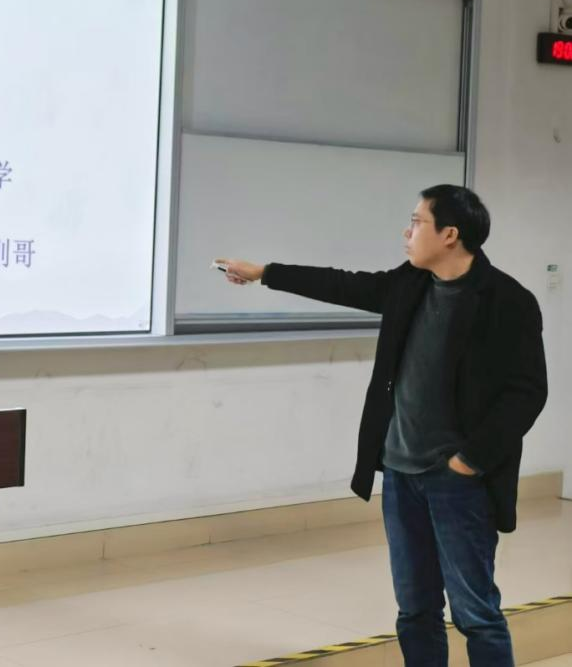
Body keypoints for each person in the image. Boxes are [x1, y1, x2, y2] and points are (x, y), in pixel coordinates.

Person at [216, 184, 547, 667]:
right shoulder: (410, 283)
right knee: (415, 610)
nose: (406, 232)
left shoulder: (507, 300)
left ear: (450, 234)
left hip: (459, 482)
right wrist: (265, 273)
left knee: (476, 613)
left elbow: (526, 393)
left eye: (416, 222)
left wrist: (469, 460)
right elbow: (343, 284)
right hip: (400, 474)